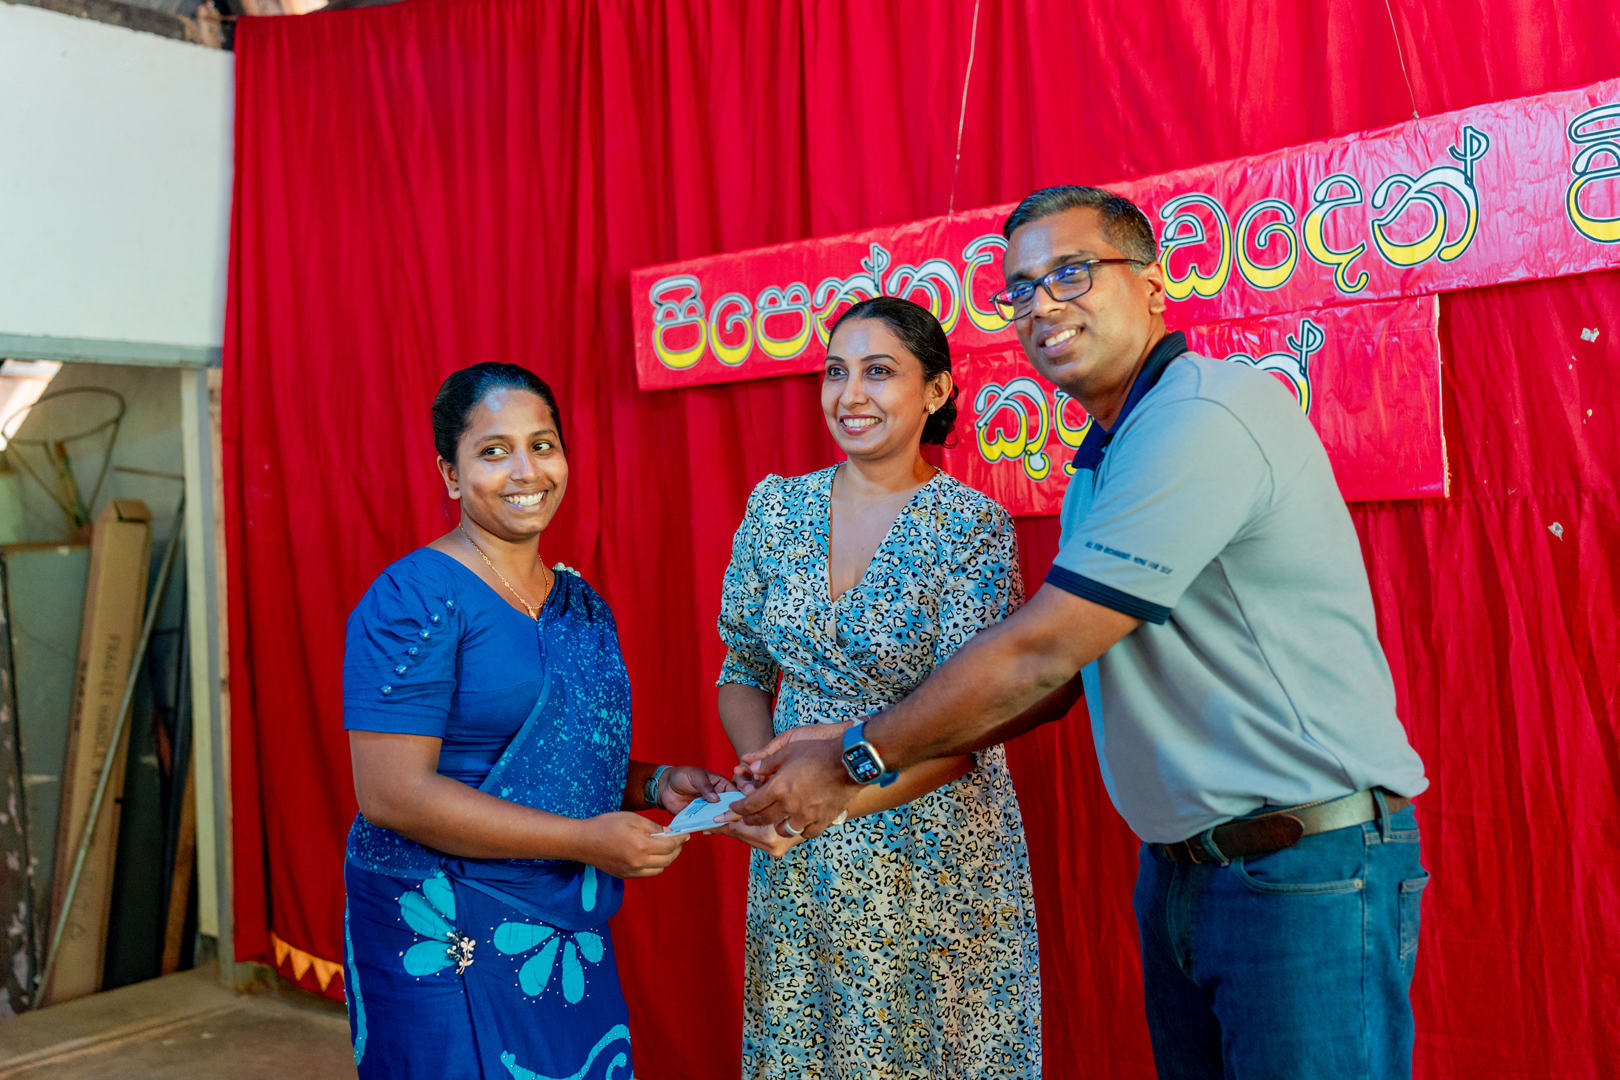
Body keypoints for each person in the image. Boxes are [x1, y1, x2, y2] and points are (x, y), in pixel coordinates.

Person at [735, 187, 1431, 1080]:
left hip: (1302, 870)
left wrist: (853, 757)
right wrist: (837, 740)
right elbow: (1064, 682)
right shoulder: (1105, 463)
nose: (1043, 304)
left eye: (1071, 273)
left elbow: (1043, 650)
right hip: (1189, 872)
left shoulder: (1201, 416)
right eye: (1020, 289)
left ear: (1152, 284)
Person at [341, 362, 731, 1079]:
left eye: (542, 445)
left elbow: (561, 763)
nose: (526, 470)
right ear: (451, 474)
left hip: (562, 937)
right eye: (494, 451)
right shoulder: (414, 597)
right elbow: (391, 795)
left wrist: (657, 784)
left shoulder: (578, 603)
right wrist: (584, 839)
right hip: (442, 923)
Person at [712, 296, 1050, 1079]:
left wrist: (830, 795)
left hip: (930, 841)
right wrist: (767, 778)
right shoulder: (776, 509)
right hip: (798, 844)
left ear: (935, 391)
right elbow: (743, 668)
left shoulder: (970, 528)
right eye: (836, 372)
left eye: (879, 372)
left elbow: (973, 722)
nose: (850, 394)